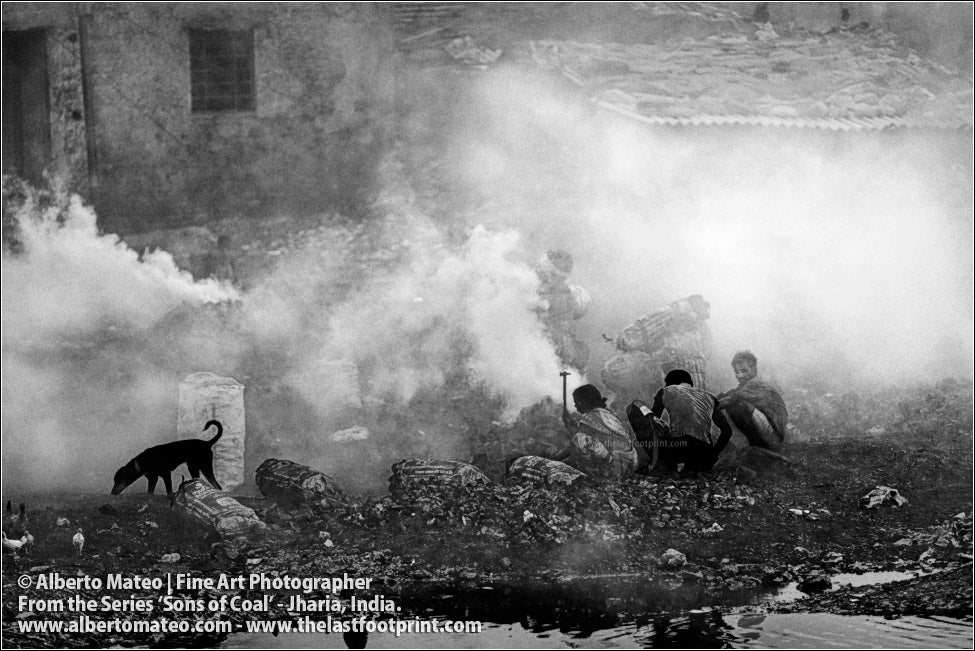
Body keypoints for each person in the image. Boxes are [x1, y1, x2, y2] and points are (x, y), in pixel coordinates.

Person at [628, 369, 732, 473]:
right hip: (703, 454)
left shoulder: (666, 390)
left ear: (670, 383)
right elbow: (727, 431)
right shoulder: (710, 397)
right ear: (690, 383)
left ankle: (661, 463)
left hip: (677, 449)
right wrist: (713, 455)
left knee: (635, 405)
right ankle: (693, 466)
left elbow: (653, 421)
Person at [613, 294, 712, 389]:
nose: (707, 309)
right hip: (676, 385)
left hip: (681, 387)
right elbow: (628, 339)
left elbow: (629, 338)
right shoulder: (674, 314)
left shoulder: (698, 326)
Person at [553, 384, 639, 480]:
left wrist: (556, 459)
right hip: (630, 464)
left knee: (580, 439)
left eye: (577, 402)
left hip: (618, 470)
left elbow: (574, 444)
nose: (575, 405)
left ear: (585, 401)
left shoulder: (591, 418)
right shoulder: (606, 413)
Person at [716, 351, 788, 450]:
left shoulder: (755, 383)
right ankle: (756, 444)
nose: (740, 375)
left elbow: (733, 398)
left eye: (744, 371)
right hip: (770, 430)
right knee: (732, 404)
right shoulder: (746, 385)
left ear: (754, 368)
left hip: (775, 433)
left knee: (737, 405)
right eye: (736, 372)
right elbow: (731, 394)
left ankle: (758, 445)